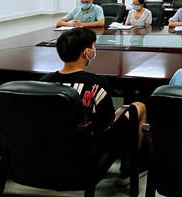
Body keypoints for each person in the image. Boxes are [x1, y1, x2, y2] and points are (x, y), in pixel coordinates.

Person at [41, 28, 147, 184]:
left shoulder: (44, 81)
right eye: (93, 47)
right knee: (139, 107)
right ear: (86, 53)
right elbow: (109, 120)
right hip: (89, 147)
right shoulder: (96, 82)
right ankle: (127, 170)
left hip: (53, 148)